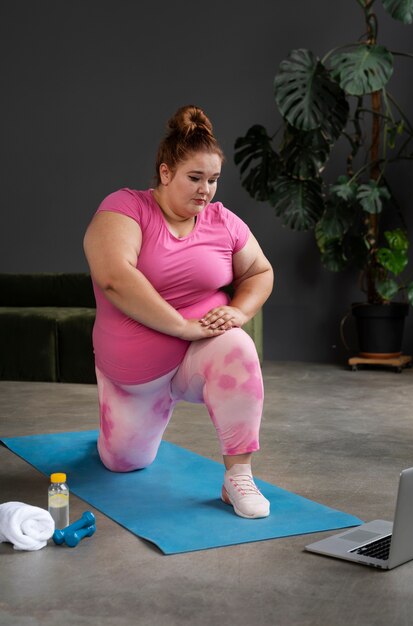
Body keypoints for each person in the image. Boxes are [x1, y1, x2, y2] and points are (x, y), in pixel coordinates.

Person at [83, 105, 274, 519]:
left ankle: (237, 477)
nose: (205, 190)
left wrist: (239, 311)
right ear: (166, 173)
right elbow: (114, 275)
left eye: (213, 180)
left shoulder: (223, 222)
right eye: (195, 178)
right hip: (135, 376)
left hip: (199, 357)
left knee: (238, 348)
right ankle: (110, 408)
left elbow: (260, 271)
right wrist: (182, 326)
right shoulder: (126, 208)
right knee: (124, 462)